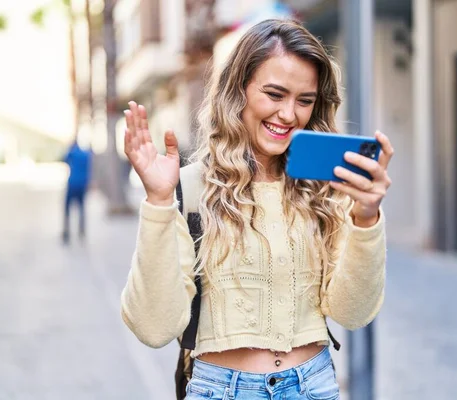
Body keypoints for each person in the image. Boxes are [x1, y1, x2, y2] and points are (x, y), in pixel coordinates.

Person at [121, 19, 393, 399]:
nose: (288, 114)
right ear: (239, 91)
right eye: (274, 94)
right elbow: (153, 327)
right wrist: (159, 201)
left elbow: (353, 313)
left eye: (304, 100)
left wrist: (366, 218)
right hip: (221, 390)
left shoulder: (326, 190)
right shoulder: (191, 186)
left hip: (314, 386)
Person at [62, 141, 92, 244]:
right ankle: (81, 231)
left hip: (72, 183)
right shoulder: (86, 154)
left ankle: (66, 230)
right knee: (81, 208)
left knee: (66, 208)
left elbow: (64, 159)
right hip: (83, 183)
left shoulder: (72, 152)